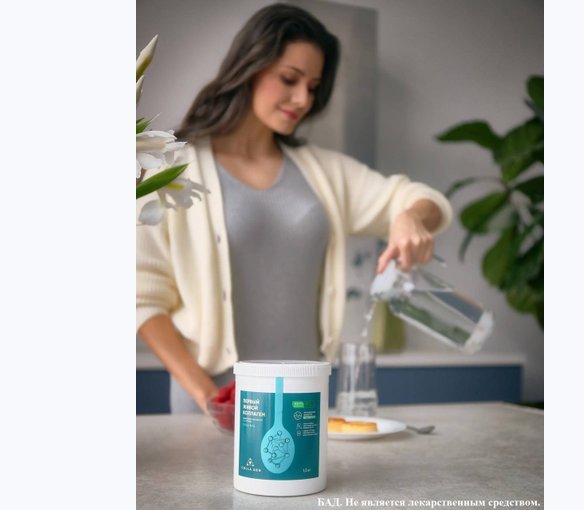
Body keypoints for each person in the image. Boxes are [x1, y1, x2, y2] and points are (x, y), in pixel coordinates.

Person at [136, 3, 453, 414]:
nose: (303, 98)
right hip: (210, 406)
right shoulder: (171, 168)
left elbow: (420, 200)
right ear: (250, 68)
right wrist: (209, 397)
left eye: (313, 86)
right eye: (289, 79)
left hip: (303, 402)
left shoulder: (325, 173)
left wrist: (410, 217)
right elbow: (141, 296)